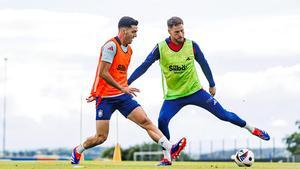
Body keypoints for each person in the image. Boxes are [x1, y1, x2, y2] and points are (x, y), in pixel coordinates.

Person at [128, 16, 270, 166]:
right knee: (162, 120)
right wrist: (127, 83)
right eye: (176, 32)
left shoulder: (192, 45)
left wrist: (212, 84)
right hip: (173, 96)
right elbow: (144, 66)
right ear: (169, 31)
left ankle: (252, 129)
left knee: (224, 115)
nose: (180, 35)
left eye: (182, 30)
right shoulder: (160, 48)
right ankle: (167, 158)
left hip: (196, 92)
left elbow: (204, 64)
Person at [71, 16, 187, 165]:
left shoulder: (129, 50)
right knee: (101, 137)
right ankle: (78, 150)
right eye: (133, 31)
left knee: (146, 121)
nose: (136, 35)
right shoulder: (110, 46)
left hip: (122, 96)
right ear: (124, 31)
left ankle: (170, 148)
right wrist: (98, 92)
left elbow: (118, 75)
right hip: (105, 98)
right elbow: (103, 73)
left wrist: (122, 87)